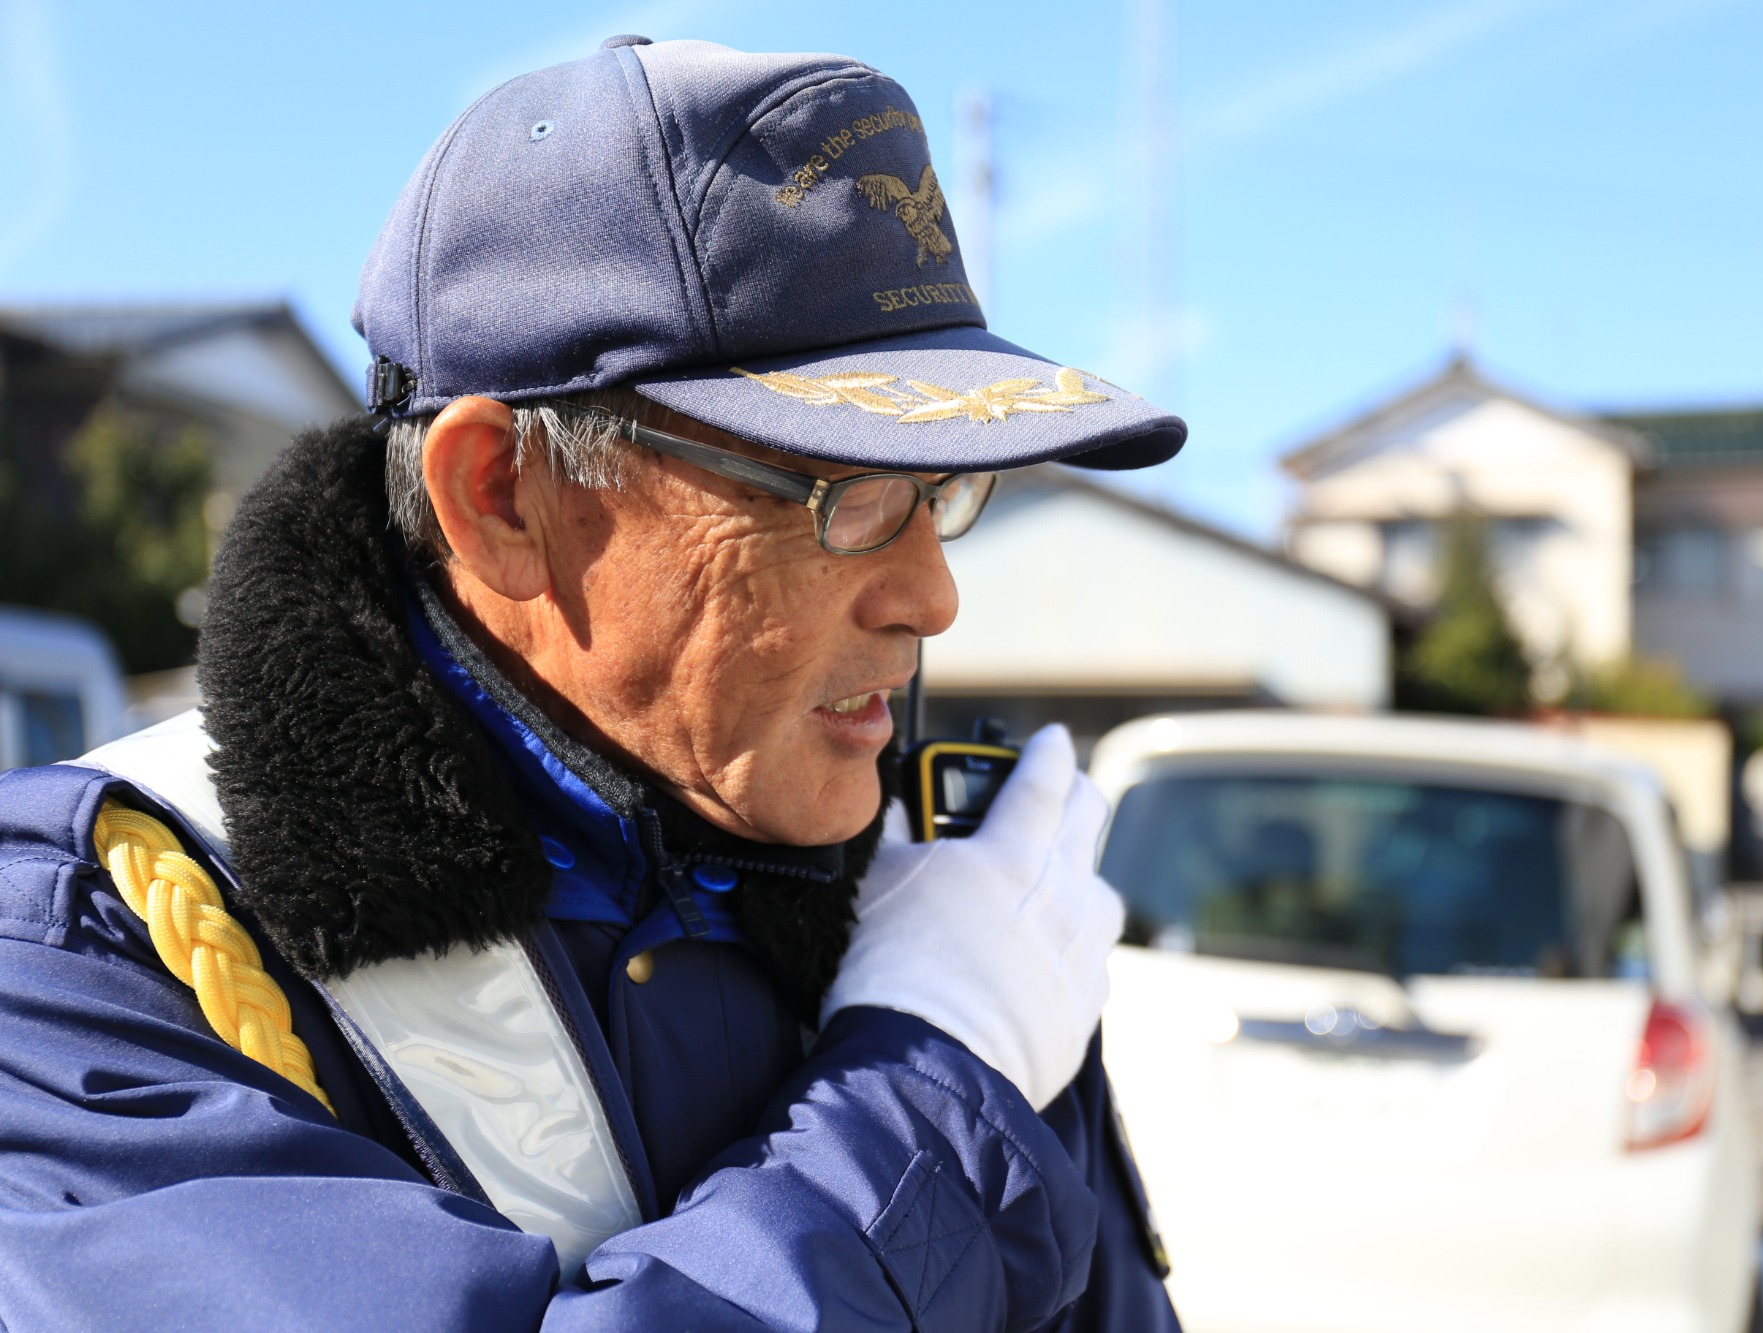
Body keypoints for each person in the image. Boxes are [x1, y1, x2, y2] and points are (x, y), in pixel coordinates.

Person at [0, 36, 1185, 1331]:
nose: (932, 595)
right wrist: (930, 1087)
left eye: (942, 491)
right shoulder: (82, 948)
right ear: (501, 497)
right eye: (845, 494)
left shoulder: (930, 891)